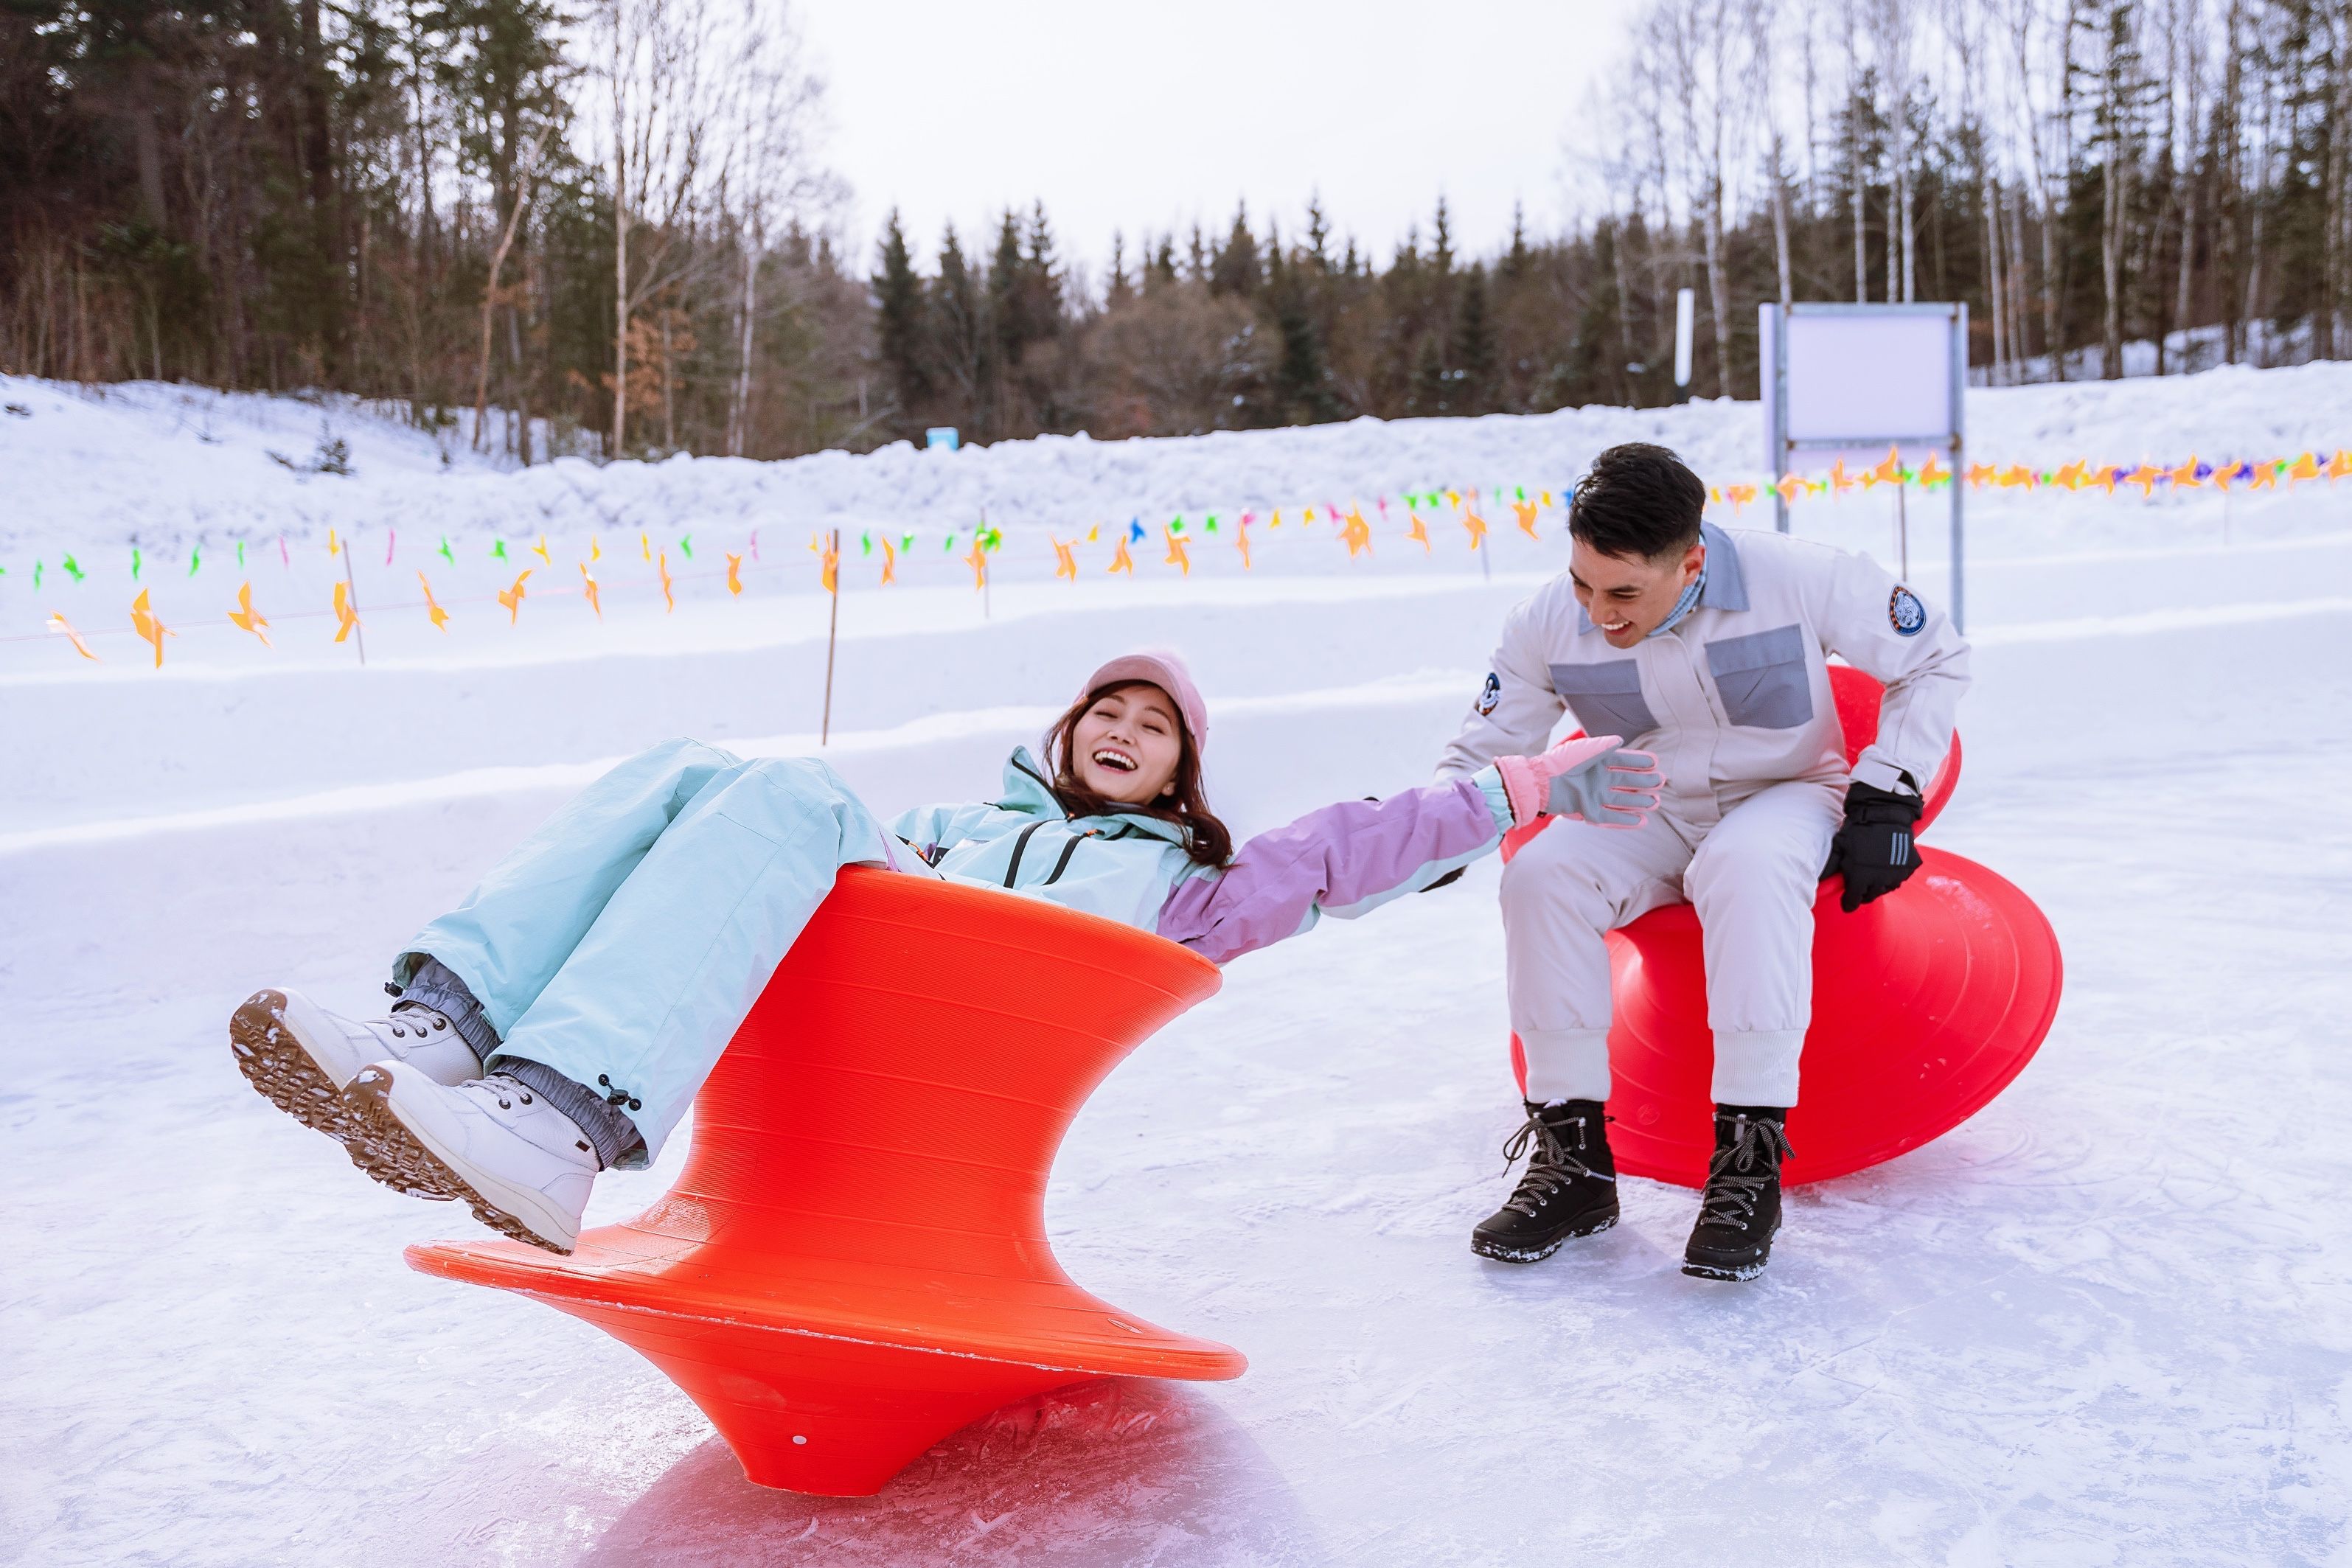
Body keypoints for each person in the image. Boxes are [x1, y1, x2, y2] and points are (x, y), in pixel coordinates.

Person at [232, 651, 1663, 1255]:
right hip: (857, 1003)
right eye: (1103, 707)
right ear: (1063, 733)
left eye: (1151, 725)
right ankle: (448, 1027)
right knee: (693, 766)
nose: (1119, 728)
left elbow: (1360, 837)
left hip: (958, 1062)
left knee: (786, 790)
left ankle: (559, 1120)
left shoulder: (1185, 886)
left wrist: (1525, 788)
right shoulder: (952, 822)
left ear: (1176, 776)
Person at [1436, 443, 1969, 1281]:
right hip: (1641, 801)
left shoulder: (1798, 575)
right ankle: (1572, 1164)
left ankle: (1747, 1168)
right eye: (1582, 583)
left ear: (1690, 561)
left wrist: (1889, 791)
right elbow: (1486, 745)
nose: (1597, 612)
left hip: (1783, 792)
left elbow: (1934, 654)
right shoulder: (1546, 619)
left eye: (1622, 594)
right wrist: (1442, 819)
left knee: (1745, 869)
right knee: (1540, 876)